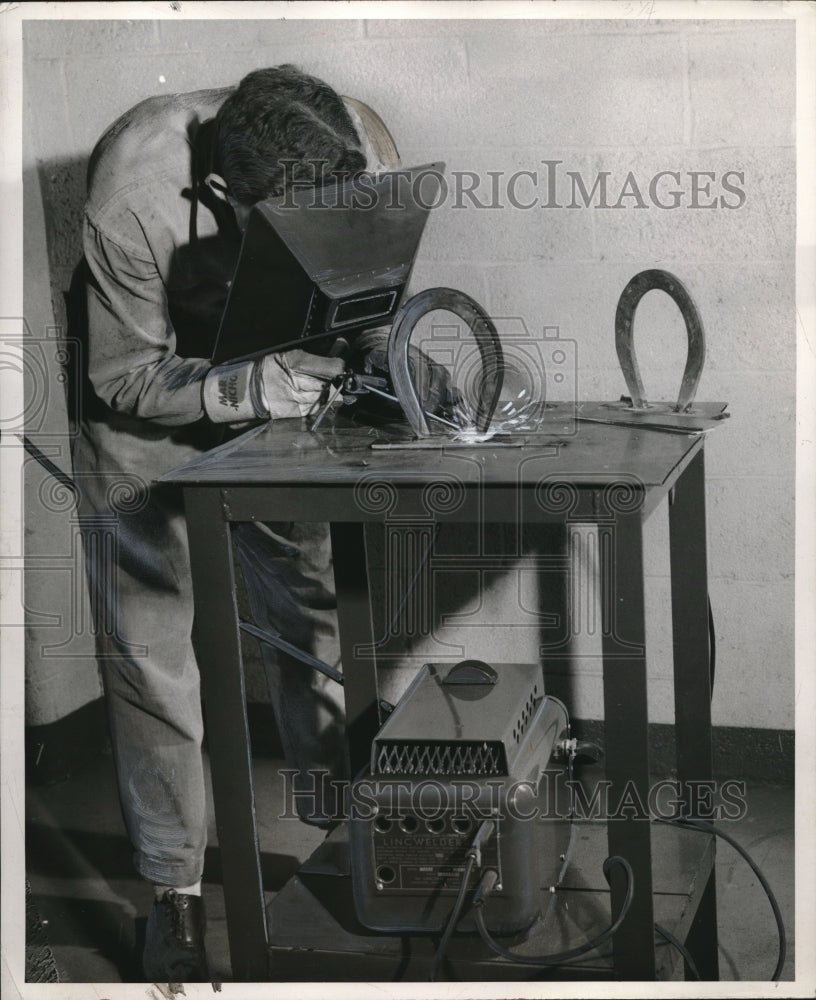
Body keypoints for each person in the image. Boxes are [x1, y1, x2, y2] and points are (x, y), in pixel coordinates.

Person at [71, 65, 395, 983]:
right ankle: (173, 893)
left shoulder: (356, 144)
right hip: (149, 403)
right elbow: (123, 377)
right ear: (220, 193)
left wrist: (387, 355)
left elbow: (370, 287)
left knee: (307, 612)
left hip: (279, 382)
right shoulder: (131, 194)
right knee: (151, 650)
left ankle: (349, 838)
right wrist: (236, 386)